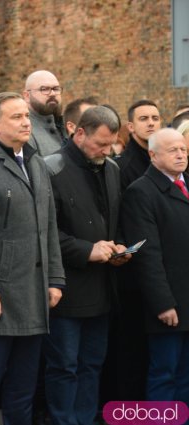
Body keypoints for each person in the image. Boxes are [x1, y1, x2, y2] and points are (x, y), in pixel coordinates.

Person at [0, 92, 65, 425]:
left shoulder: (35, 161)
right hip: (1, 295)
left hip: (34, 292)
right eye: (16, 117)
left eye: (26, 116)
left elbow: (48, 227)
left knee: (24, 385)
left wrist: (55, 279)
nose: (25, 122)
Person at [43, 106, 130, 425]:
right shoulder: (51, 169)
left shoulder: (111, 169)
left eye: (110, 145)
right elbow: (46, 233)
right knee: (64, 366)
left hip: (103, 289)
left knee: (93, 363)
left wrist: (119, 245)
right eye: (101, 145)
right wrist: (86, 250)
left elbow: (114, 219)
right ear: (79, 133)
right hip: (66, 290)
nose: (107, 152)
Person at [120, 128, 189, 404]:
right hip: (169, 302)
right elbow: (148, 255)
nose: (181, 154)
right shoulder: (141, 192)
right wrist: (162, 303)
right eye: (173, 150)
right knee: (165, 373)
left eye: (183, 149)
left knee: (186, 375)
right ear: (153, 155)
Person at [113, 99, 161, 402]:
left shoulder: (161, 160)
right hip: (134, 270)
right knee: (132, 354)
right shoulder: (125, 167)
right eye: (144, 118)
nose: (151, 123)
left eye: (156, 117)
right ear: (130, 127)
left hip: (158, 269)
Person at [23, 70, 67, 156]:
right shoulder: (24, 131)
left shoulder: (67, 126)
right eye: (44, 89)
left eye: (56, 89)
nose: (52, 94)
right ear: (27, 96)